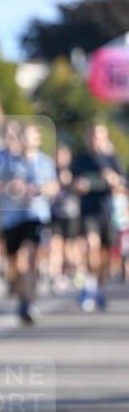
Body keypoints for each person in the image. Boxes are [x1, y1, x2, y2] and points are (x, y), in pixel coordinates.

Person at [0, 122, 57, 324]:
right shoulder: (6, 162)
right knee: (15, 264)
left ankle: (30, 301)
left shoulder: (45, 162)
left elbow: (54, 186)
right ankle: (22, 296)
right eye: (23, 136)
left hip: (36, 215)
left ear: (38, 139)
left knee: (31, 256)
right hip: (11, 218)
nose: (27, 140)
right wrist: (10, 187)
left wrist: (42, 189)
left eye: (31, 136)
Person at [72, 123, 123, 312]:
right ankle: (89, 288)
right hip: (88, 211)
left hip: (107, 212)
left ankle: (99, 288)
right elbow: (70, 182)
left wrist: (113, 179)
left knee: (103, 256)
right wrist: (78, 185)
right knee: (91, 248)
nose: (96, 140)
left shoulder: (111, 159)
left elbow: (122, 185)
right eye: (93, 136)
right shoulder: (81, 159)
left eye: (100, 136)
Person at [48, 143, 81, 293]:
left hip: (71, 214)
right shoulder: (51, 171)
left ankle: (74, 270)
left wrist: (70, 182)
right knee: (55, 245)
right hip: (55, 214)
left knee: (70, 248)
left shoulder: (74, 170)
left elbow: (80, 188)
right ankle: (56, 276)